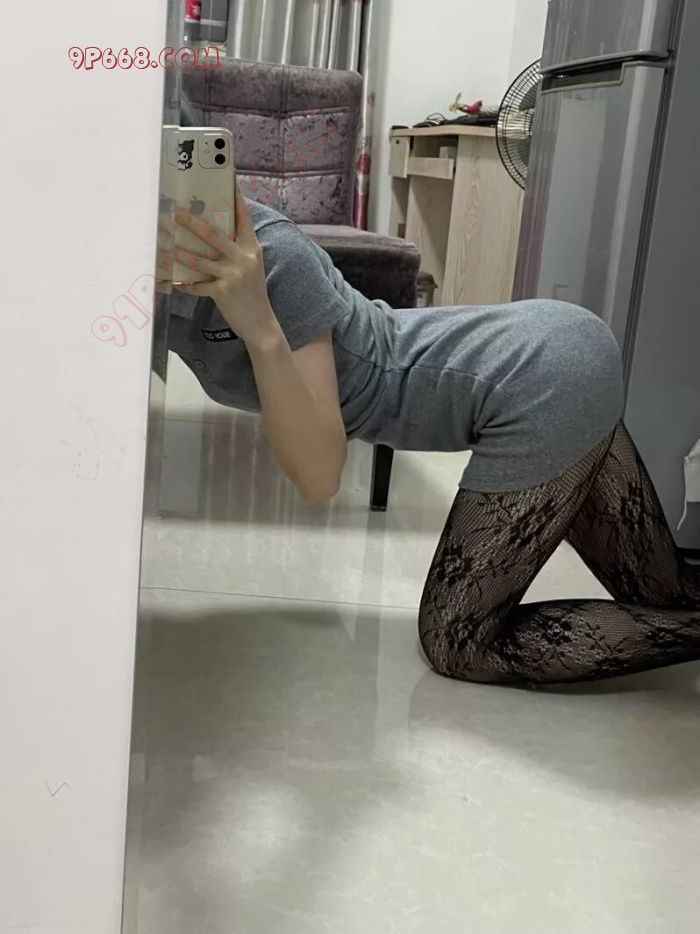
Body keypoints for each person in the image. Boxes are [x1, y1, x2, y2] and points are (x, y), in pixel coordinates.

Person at [162, 186, 700, 686]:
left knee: (459, 643)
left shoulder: (270, 253)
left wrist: (259, 326)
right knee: (666, 595)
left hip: (538, 375)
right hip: (543, 362)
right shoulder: (137, 270)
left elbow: (319, 478)